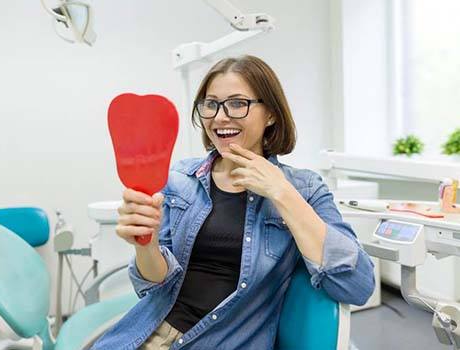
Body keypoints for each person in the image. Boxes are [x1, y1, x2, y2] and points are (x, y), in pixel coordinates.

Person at [91, 55, 375, 350]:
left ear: (271, 114)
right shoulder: (178, 180)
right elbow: (154, 285)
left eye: (238, 103)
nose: (220, 117)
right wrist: (144, 244)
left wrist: (281, 191)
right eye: (210, 104)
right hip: (146, 334)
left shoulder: (305, 188)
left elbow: (358, 285)